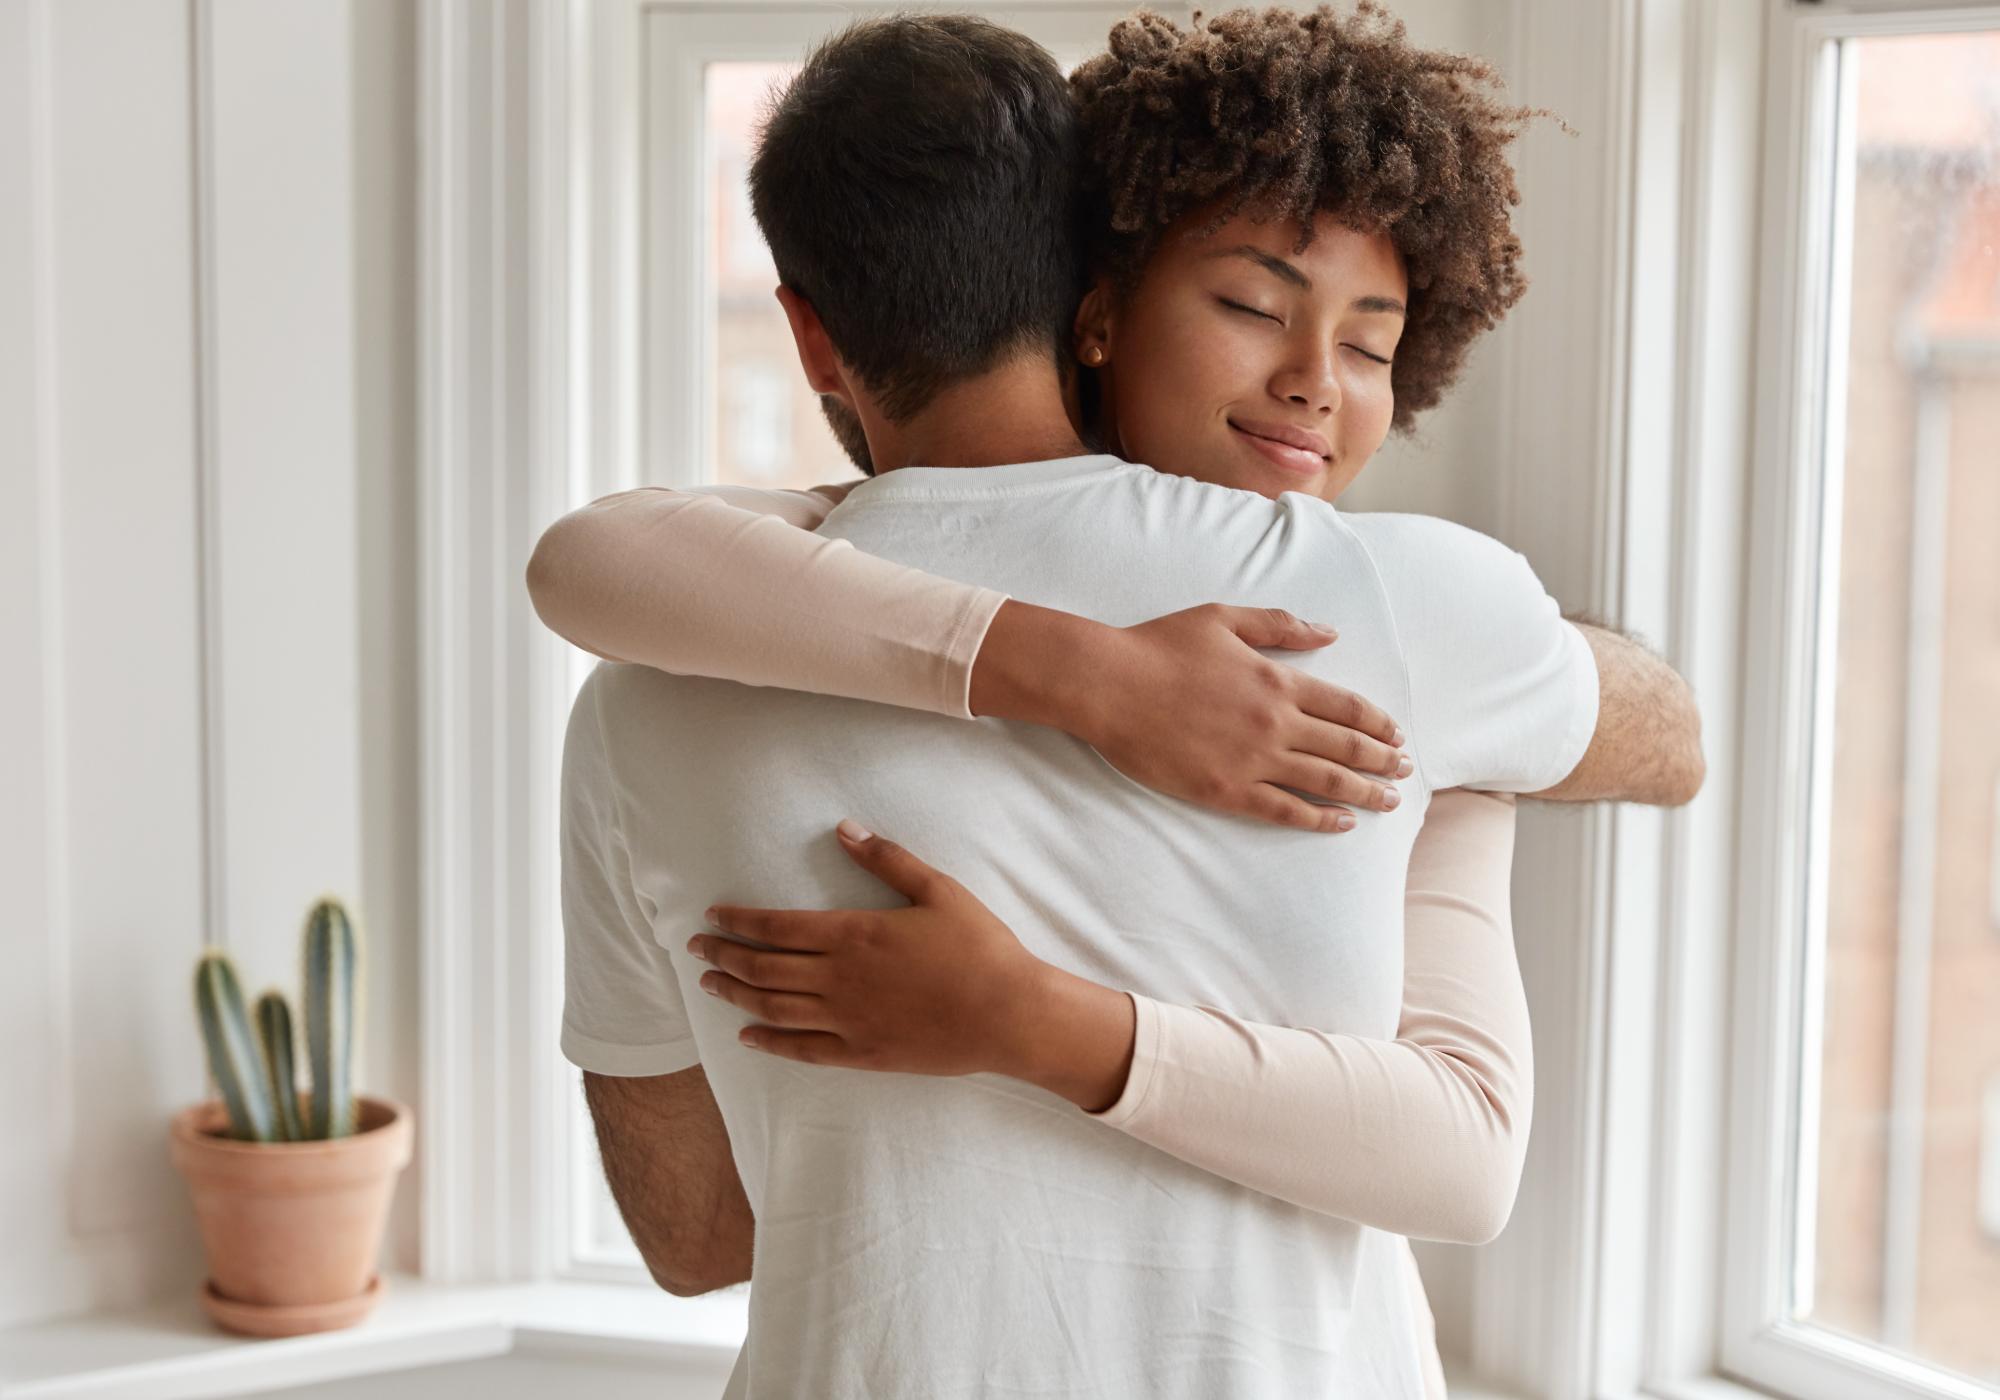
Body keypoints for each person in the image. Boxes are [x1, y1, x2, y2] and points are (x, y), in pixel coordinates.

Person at [541, 9, 1702, 1398]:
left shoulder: (649, 691)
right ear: (1094, 291)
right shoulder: (1394, 617)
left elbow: (696, 1239)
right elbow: (1667, 736)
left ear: (810, 332)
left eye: (1368, 345)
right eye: (1254, 306)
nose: (1312, 384)